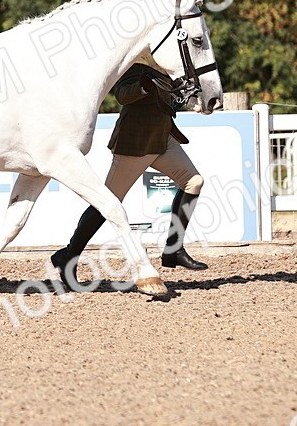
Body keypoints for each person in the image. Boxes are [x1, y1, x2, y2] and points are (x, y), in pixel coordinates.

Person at [51, 63, 207, 290]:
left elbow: (169, 100)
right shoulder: (137, 64)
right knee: (106, 203)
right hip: (135, 144)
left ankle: (174, 249)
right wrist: (142, 86)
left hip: (163, 139)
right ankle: (68, 254)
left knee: (194, 181)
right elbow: (121, 95)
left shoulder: (168, 68)